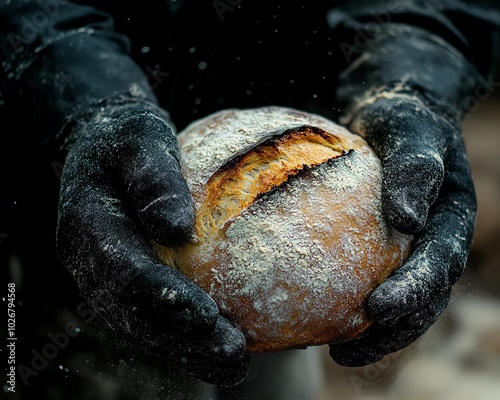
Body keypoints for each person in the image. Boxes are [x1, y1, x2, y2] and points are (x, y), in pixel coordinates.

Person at [0, 0, 499, 398]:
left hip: (311, 225)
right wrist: (72, 98)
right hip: (80, 199)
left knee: (277, 360)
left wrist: (415, 71)